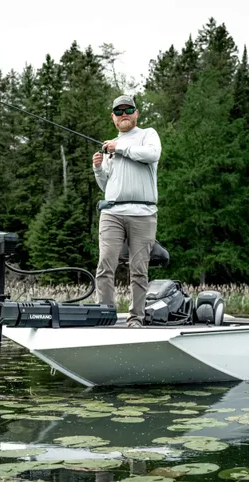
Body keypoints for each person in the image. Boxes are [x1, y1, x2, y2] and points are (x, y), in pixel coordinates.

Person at [92, 95, 162, 328]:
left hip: (143, 212)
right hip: (112, 212)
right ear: (113, 117)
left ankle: (136, 319)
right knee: (105, 264)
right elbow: (107, 185)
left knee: (139, 269)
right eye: (119, 111)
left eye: (128, 109)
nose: (124, 114)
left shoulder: (147, 135)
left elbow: (152, 155)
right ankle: (104, 315)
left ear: (136, 113)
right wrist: (99, 169)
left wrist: (119, 148)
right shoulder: (111, 145)